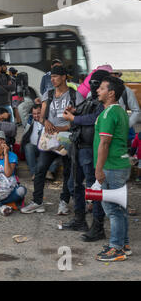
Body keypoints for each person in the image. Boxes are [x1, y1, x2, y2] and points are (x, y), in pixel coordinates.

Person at [21, 65, 84, 215]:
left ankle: (63, 202)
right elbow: (42, 117)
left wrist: (63, 128)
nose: (53, 80)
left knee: (68, 172)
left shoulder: (75, 96)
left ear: (64, 78)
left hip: (68, 140)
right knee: (40, 169)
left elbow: (79, 119)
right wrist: (46, 122)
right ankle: (37, 202)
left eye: (56, 77)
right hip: (49, 139)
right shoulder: (48, 94)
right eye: (51, 77)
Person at [62, 70, 110, 235]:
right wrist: (73, 112)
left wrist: (74, 118)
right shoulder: (90, 99)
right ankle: (79, 220)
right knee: (75, 185)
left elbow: (93, 119)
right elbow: (81, 113)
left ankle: (97, 226)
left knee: (93, 188)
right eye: (92, 83)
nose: (94, 87)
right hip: (79, 146)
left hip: (90, 149)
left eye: (97, 84)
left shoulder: (105, 104)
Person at [93, 76, 132, 262]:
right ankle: (123, 244)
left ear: (111, 93)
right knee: (120, 209)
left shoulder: (109, 114)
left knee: (113, 210)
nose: (97, 91)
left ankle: (116, 248)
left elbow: (105, 143)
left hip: (111, 167)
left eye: (101, 88)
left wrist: (99, 169)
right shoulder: (122, 112)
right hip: (121, 165)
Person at [21, 104, 58, 181]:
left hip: (46, 149)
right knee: (28, 146)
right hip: (34, 148)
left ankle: (49, 172)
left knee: (57, 149)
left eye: (38, 113)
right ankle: (35, 173)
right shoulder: (30, 121)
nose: (36, 116)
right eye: (34, 114)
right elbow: (21, 109)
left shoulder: (48, 121)